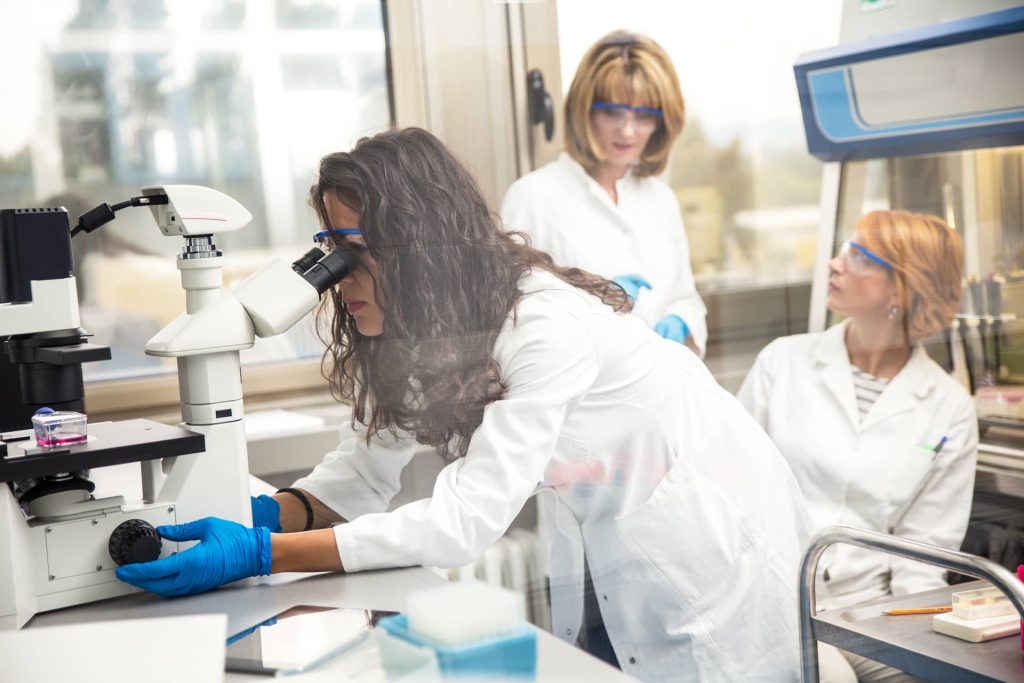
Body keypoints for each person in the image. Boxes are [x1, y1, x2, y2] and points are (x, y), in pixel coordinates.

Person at [117, 127, 810, 681]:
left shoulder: (542, 326)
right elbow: (355, 483)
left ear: (419, 247)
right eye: (327, 250)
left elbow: (463, 521)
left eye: (353, 253)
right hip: (613, 539)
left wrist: (259, 553)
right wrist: (254, 518)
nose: (337, 281)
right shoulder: (416, 331)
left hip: (713, 548)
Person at [737, 210, 978, 683]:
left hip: (876, 615)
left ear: (900, 288)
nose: (834, 263)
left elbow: (924, 550)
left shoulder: (949, 406)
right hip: (775, 597)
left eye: (857, 256)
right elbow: (731, 489)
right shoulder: (782, 363)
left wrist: (923, 650)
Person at [501, 31, 707, 356]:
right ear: (585, 110)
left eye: (643, 116)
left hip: (663, 387)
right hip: (588, 399)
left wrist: (679, 320)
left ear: (662, 123)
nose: (627, 130)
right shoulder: (533, 196)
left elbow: (685, 297)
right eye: (613, 111)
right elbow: (513, 319)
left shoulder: (660, 199)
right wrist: (592, 301)